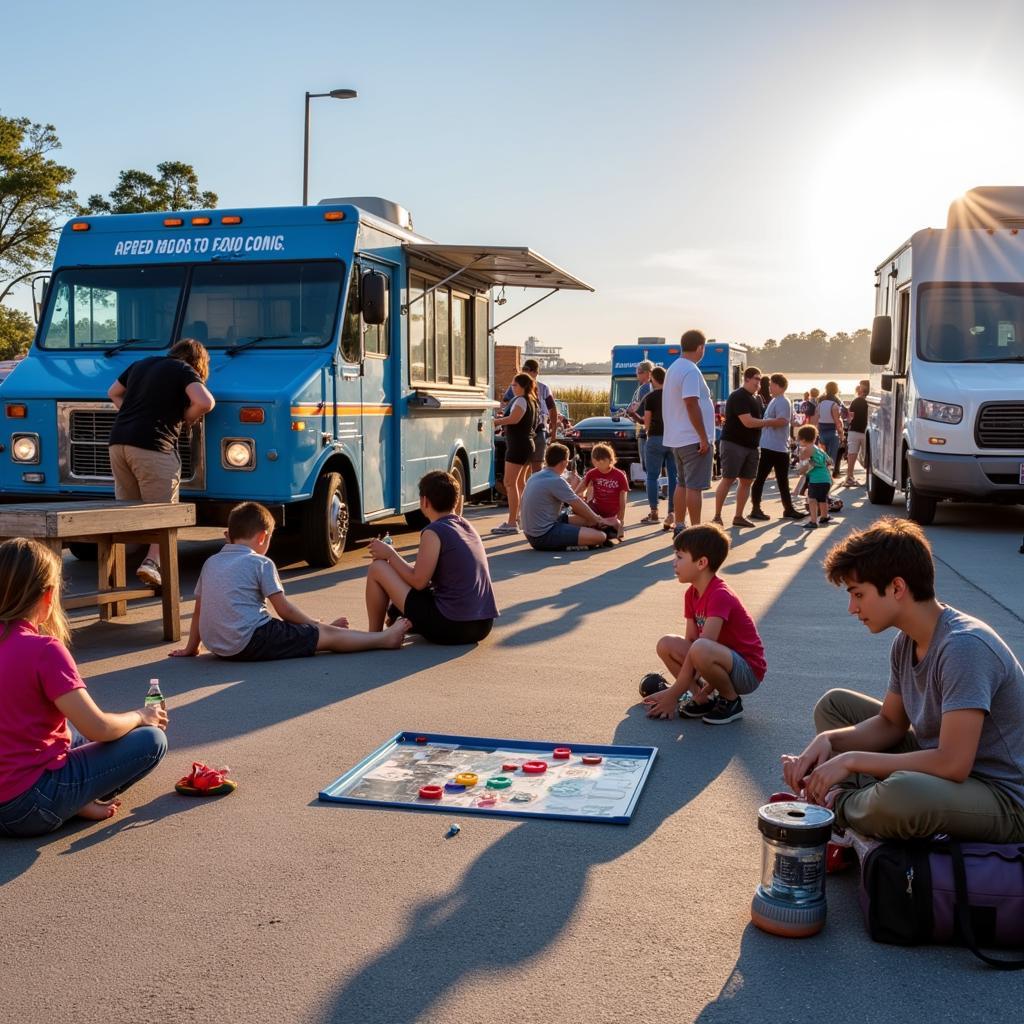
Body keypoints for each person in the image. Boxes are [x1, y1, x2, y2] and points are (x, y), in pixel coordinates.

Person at [781, 517, 1024, 842]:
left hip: (1002, 798)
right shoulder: (906, 641)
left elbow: (953, 764)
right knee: (834, 707)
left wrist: (850, 761)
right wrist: (829, 741)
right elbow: (891, 723)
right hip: (944, 773)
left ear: (897, 588)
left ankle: (839, 808)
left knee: (902, 795)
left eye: (858, 594)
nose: (852, 608)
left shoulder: (964, 646)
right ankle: (860, 809)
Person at [0, 538, 168, 837]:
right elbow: (99, 729)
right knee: (151, 740)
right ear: (48, 596)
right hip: (29, 806)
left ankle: (75, 798)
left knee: (62, 721)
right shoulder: (43, 649)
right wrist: (141, 715)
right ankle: (74, 800)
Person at [170, 502, 409, 660]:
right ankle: (382, 639)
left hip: (218, 644)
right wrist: (315, 628)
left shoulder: (211, 562)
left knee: (299, 629)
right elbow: (284, 610)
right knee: (326, 638)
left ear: (228, 536)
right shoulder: (260, 563)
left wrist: (192, 647)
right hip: (249, 641)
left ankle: (319, 628)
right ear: (263, 537)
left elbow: (200, 609)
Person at [107, 338, 215, 588]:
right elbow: (206, 402)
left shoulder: (140, 364)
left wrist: (131, 414)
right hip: (153, 446)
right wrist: (185, 417)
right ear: (198, 361)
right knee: (163, 512)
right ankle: (152, 563)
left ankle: (113, 570)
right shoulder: (184, 370)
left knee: (128, 510)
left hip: (118, 444)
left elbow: (112, 392)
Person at [643, 524, 767, 725]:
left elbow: (700, 649)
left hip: (747, 671)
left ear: (701, 563)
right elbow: (691, 642)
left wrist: (672, 695)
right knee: (666, 644)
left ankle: (731, 700)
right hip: (717, 659)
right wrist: (692, 691)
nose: (674, 563)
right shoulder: (691, 593)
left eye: (679, 557)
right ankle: (702, 699)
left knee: (700, 648)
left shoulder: (720, 594)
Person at [365, 471, 498, 644]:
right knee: (401, 576)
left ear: (424, 501)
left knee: (378, 568)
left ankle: (374, 637)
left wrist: (390, 553)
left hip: (454, 625)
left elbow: (419, 581)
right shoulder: (465, 526)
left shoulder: (433, 532)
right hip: (482, 624)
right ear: (456, 501)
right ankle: (397, 621)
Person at [712, 367, 787, 528]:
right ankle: (717, 516)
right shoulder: (738, 396)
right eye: (756, 379)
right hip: (733, 443)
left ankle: (738, 516)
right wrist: (772, 422)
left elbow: (757, 420)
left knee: (746, 481)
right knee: (728, 479)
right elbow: (748, 422)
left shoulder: (756, 398)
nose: (759, 382)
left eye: (760, 379)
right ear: (746, 378)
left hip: (752, 446)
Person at [520, 443, 618, 551]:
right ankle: (572, 544)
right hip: (543, 535)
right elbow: (576, 504)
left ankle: (579, 536)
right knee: (600, 537)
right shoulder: (556, 480)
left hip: (531, 532)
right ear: (563, 462)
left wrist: (593, 520)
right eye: (567, 461)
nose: (567, 465)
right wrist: (599, 520)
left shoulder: (536, 476)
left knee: (586, 520)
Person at [663, 329, 715, 529]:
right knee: (695, 487)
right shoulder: (691, 370)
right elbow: (691, 403)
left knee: (682, 484)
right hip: (692, 438)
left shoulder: (674, 368)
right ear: (700, 347)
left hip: (677, 437)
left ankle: (679, 525)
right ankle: (695, 529)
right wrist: (703, 436)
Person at [749, 373, 807, 521]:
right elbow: (790, 421)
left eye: (771, 385)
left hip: (776, 447)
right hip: (773, 446)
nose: (769, 387)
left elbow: (782, 421)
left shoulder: (782, 401)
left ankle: (782, 509)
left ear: (779, 386)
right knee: (772, 479)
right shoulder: (777, 400)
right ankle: (769, 508)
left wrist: (763, 422)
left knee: (770, 479)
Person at [492, 373, 538, 535]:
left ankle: (512, 523)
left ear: (523, 386)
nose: (512, 388)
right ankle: (520, 518)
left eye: (514, 385)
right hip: (527, 445)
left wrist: (495, 422)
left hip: (518, 446)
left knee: (509, 483)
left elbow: (514, 419)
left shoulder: (521, 400)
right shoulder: (532, 401)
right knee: (520, 484)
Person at [503, 358, 557, 477]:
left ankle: (531, 493)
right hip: (529, 432)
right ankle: (531, 493)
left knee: (529, 472)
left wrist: (553, 432)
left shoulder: (541, 388)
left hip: (530, 431)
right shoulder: (521, 386)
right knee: (528, 472)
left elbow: (552, 410)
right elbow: (552, 410)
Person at [638, 366, 677, 528]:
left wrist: (647, 431)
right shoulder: (674, 395)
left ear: (653, 379)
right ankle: (672, 512)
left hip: (655, 438)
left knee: (652, 476)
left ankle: (654, 512)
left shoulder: (651, 397)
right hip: (673, 438)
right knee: (674, 476)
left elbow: (646, 422)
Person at [575, 443, 628, 540]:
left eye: (603, 462)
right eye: (596, 462)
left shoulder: (620, 476)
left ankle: (609, 525)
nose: (599, 465)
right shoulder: (592, 473)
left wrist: (621, 522)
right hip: (596, 509)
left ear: (610, 460)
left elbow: (623, 501)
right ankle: (598, 525)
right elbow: (578, 490)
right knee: (581, 507)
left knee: (612, 531)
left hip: (612, 513)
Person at [794, 425, 833, 529]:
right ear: (815, 438)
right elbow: (830, 461)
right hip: (826, 480)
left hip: (816, 480)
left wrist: (799, 468)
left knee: (812, 500)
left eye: (799, 439)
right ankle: (825, 516)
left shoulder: (807, 450)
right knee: (822, 499)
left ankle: (813, 521)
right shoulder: (819, 450)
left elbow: (804, 466)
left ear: (802, 439)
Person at [624, 359, 654, 469]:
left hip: (643, 430)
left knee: (647, 466)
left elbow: (639, 410)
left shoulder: (644, 388)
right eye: (637, 372)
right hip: (654, 430)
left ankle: (651, 485)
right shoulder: (656, 387)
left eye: (640, 372)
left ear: (649, 373)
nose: (637, 375)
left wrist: (630, 412)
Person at [813, 381, 845, 470]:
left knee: (823, 455)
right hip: (832, 431)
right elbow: (837, 421)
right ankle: (829, 476)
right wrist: (841, 434)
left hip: (822, 432)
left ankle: (823, 474)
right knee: (831, 457)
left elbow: (815, 420)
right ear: (836, 390)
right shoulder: (835, 404)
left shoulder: (820, 403)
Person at [844, 381, 869, 486]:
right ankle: (869, 478)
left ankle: (849, 477)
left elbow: (850, 416)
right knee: (868, 455)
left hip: (854, 430)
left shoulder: (855, 401)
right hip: (866, 432)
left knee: (852, 454)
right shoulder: (870, 401)